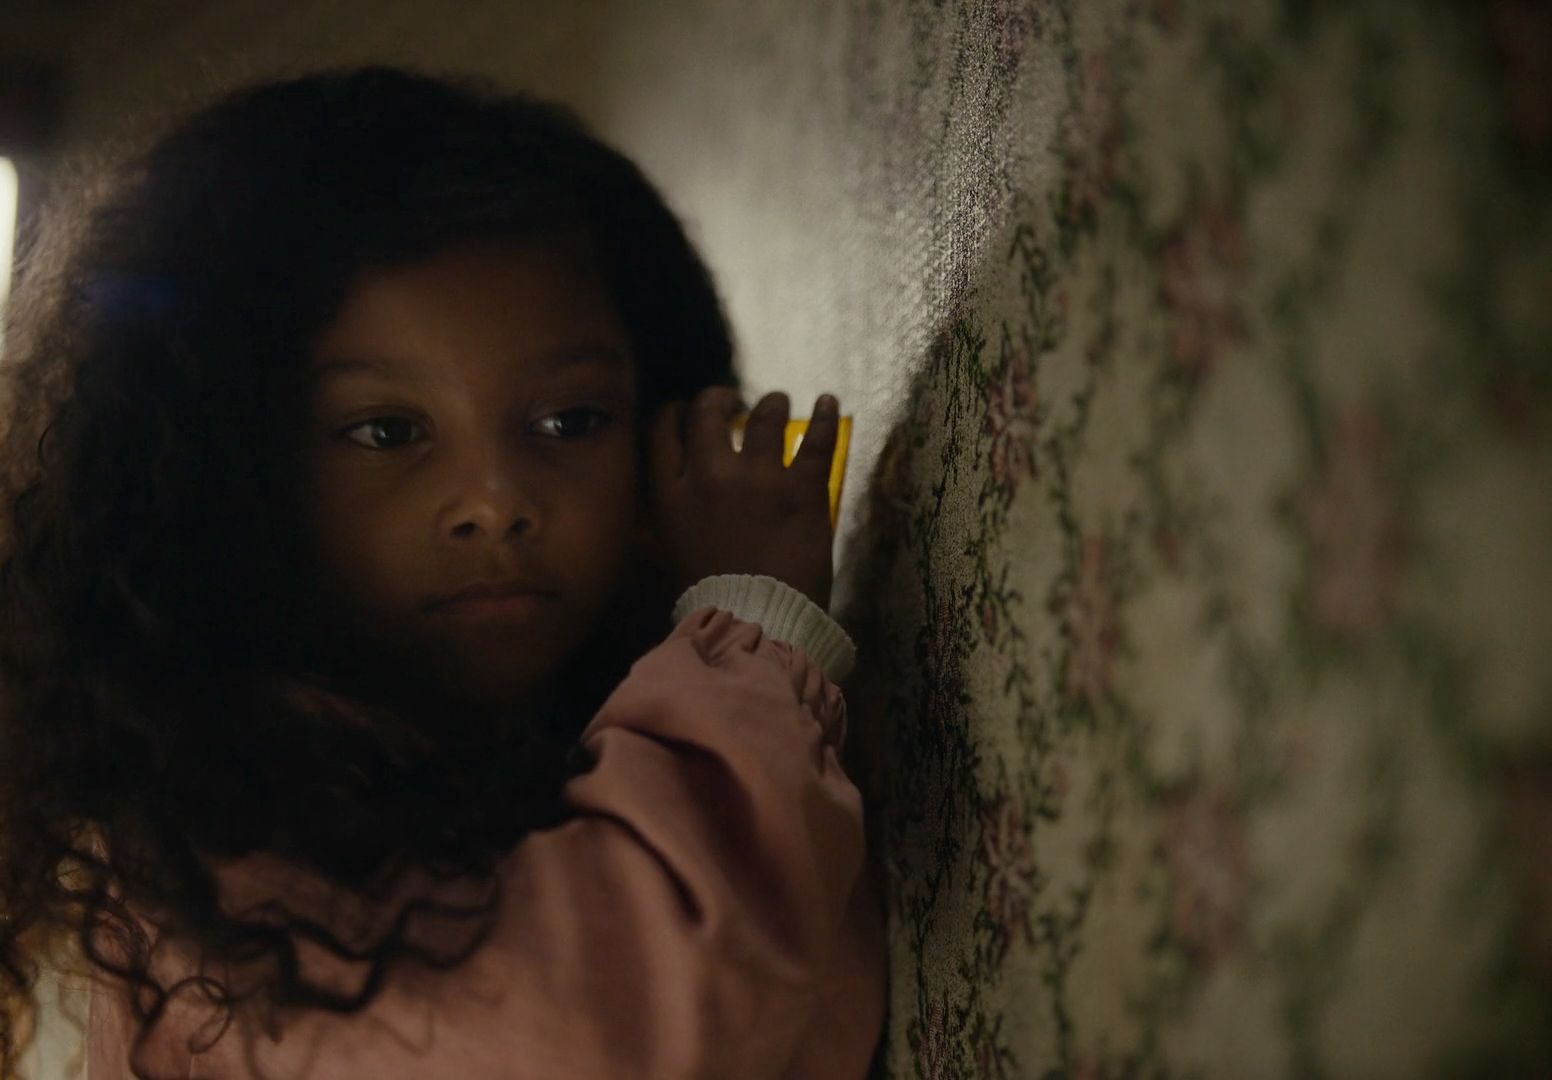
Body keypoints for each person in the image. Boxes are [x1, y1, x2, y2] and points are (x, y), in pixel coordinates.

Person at [0, 67, 884, 1079]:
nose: (496, 498)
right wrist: (748, 632)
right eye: (386, 430)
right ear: (220, 479)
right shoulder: (226, 830)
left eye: (569, 422)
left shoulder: (581, 727)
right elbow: (593, 1039)